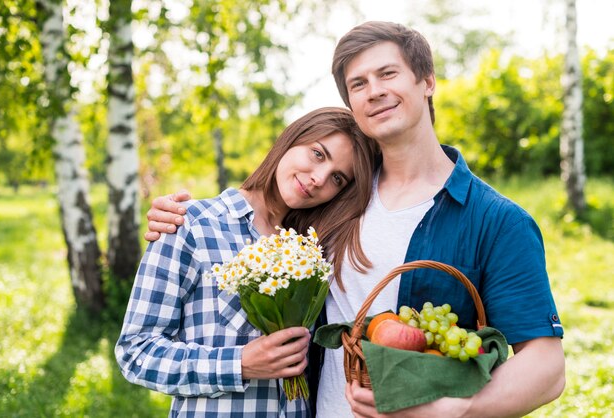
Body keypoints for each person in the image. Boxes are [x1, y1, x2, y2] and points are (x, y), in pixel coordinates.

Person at [145, 21, 566, 418]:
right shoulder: (334, 198)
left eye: (388, 74)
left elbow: (546, 369)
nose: (374, 91)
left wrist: (444, 412)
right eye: (358, 84)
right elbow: (256, 220)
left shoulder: (496, 221)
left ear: (427, 82)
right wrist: (179, 216)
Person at [115, 107, 379, 418]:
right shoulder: (192, 225)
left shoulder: (315, 252)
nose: (319, 178)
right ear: (291, 139)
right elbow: (136, 352)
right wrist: (239, 364)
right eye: (318, 154)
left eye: (337, 178)